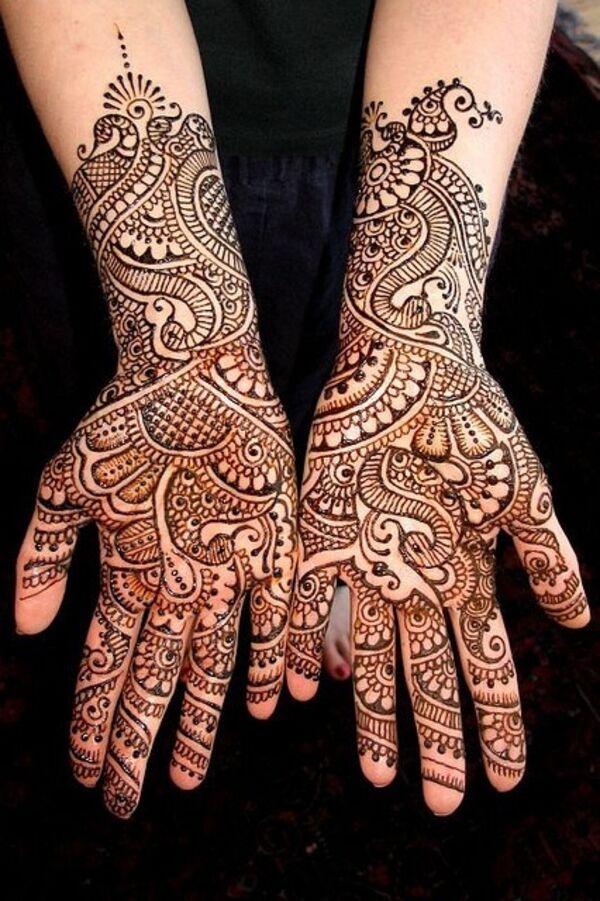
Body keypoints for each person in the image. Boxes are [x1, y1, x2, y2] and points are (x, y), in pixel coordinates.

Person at [2, 0, 589, 821]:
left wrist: (417, 327)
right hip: (91, 98)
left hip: (386, 125)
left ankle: (328, 553)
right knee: (108, 388)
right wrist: (182, 338)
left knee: (341, 402)